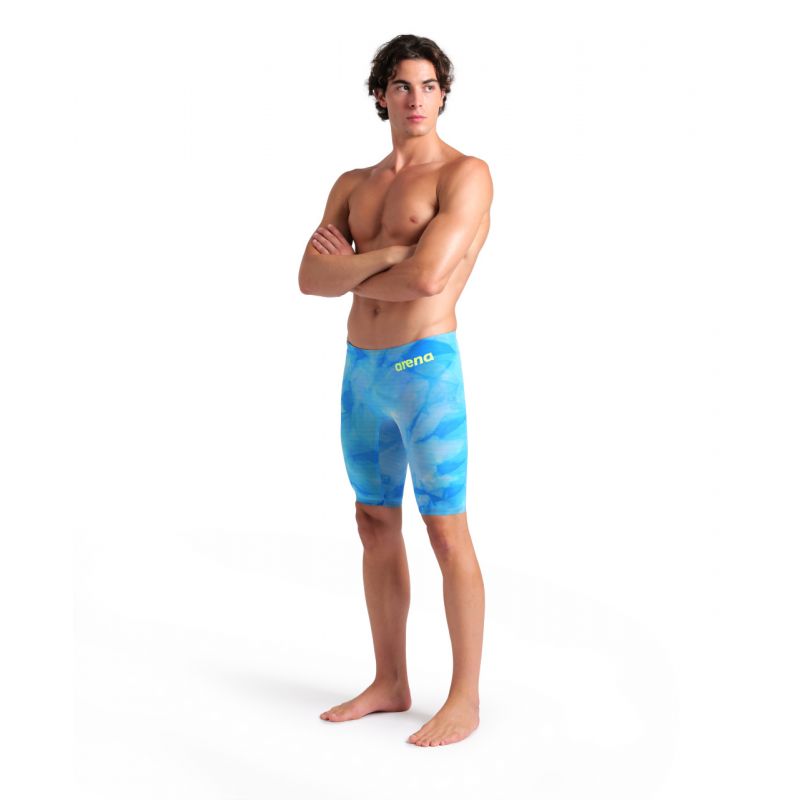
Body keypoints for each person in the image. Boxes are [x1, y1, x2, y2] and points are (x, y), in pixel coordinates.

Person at [298, 33, 493, 747]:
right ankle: (390, 681)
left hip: (424, 369)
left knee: (445, 529)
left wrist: (353, 268)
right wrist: (387, 253)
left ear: (444, 95)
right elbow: (309, 278)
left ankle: (464, 697)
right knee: (373, 522)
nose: (417, 99)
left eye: (429, 86)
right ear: (381, 95)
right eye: (403, 86)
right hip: (362, 373)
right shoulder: (353, 185)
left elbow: (429, 279)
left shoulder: (464, 174)